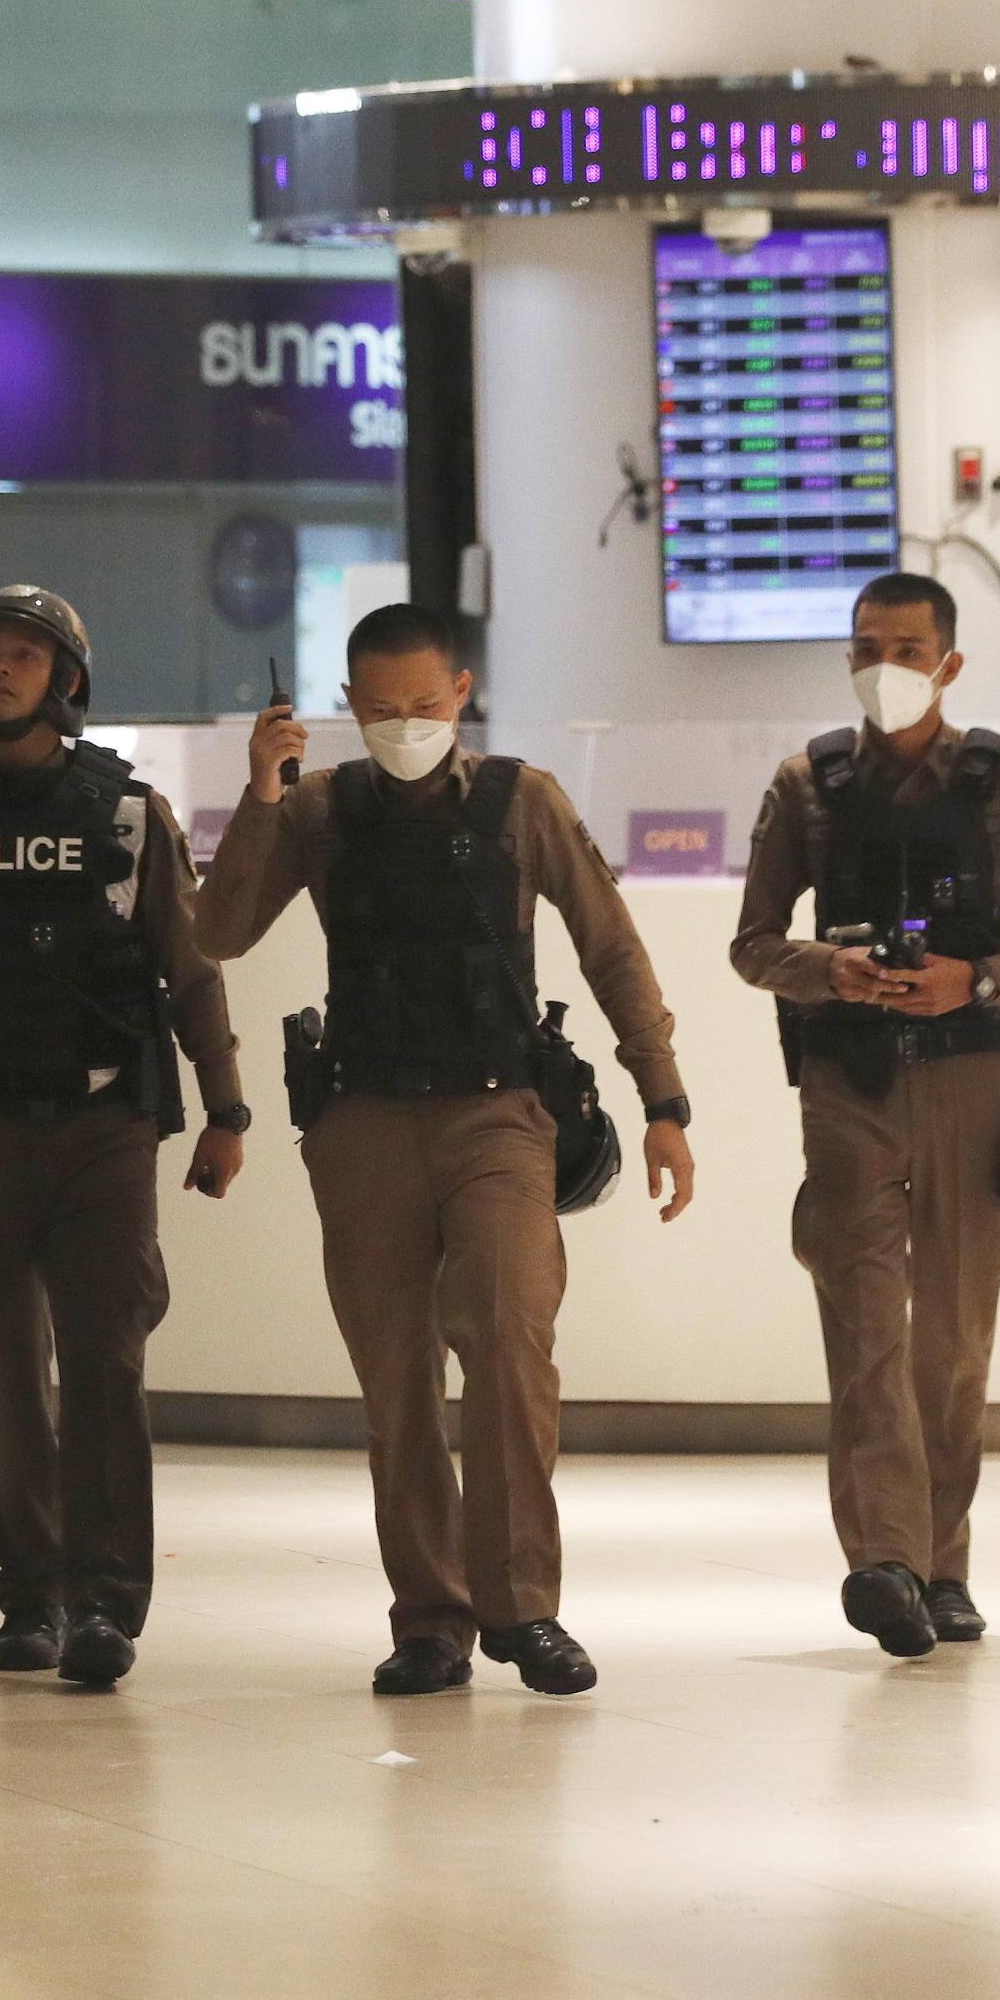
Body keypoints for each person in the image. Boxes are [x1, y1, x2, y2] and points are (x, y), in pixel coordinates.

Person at [196, 603, 697, 1698]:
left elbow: (611, 944)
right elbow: (218, 930)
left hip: (498, 1111)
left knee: (512, 1344)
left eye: (424, 704)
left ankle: (524, 1607)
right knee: (398, 1380)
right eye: (379, 709)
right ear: (345, 707)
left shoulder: (524, 801)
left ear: (461, 694)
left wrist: (665, 1097)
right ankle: (429, 1617)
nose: (404, 723)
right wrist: (263, 792)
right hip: (364, 1120)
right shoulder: (321, 809)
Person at [0, 586, 249, 1689]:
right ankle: (33, 1596)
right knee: (4, 1364)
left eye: (24, 656)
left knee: (107, 1359)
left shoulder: (127, 812)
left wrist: (226, 1105)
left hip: (103, 1121)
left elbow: (190, 963)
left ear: (67, 679)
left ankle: (109, 1602)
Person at [728, 572, 1000, 1659]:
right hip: (847, 1085)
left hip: (973, 1077)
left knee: (953, 1338)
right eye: (866, 645)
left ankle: (946, 1565)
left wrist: (977, 978)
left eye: (906, 645)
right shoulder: (807, 783)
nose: (884, 664)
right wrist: (826, 968)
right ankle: (885, 1560)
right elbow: (752, 944)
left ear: (949, 661)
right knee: (863, 1323)